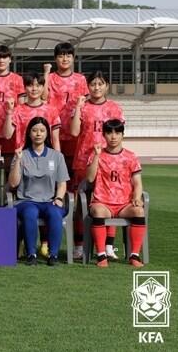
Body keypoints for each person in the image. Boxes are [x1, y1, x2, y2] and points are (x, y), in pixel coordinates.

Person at [69, 71, 124, 260]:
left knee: (110, 200)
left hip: (107, 162)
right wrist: (77, 108)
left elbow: (118, 137)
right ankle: (78, 244)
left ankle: (108, 246)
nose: (96, 88)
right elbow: (75, 131)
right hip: (83, 161)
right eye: (93, 84)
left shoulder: (114, 108)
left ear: (107, 86)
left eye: (100, 84)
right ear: (87, 86)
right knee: (79, 205)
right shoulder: (82, 107)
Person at [9, 117, 69, 266]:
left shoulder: (57, 156)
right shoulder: (22, 154)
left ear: (47, 134)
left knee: (55, 213)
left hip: (49, 201)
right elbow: (13, 183)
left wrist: (59, 198)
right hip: (26, 201)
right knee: (30, 213)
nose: (38, 134)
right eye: (34, 130)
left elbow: (62, 184)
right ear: (29, 134)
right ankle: (31, 254)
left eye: (42, 131)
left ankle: (53, 255)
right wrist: (17, 160)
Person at [86, 119, 145, 268]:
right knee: (97, 211)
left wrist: (137, 198)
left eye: (117, 133)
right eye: (109, 132)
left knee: (139, 210)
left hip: (124, 205)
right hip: (103, 202)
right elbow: (90, 178)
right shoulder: (96, 154)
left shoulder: (131, 157)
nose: (113, 136)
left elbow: (137, 182)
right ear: (104, 135)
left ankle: (134, 255)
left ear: (122, 135)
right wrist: (97, 156)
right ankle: (101, 255)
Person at [43, 42, 88, 171]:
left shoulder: (80, 79)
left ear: (73, 58)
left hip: (74, 132)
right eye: (61, 56)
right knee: (53, 168)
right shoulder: (50, 78)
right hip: (54, 131)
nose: (65, 59)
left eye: (68, 55)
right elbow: (43, 97)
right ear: (55, 58)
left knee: (73, 168)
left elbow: (86, 104)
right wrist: (46, 74)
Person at [2, 72, 61, 152]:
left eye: (38, 86)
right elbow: (7, 135)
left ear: (43, 87)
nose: (34, 89)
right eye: (30, 85)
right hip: (23, 156)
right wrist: (9, 113)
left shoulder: (51, 111)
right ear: (24, 88)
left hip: (46, 157)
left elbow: (55, 139)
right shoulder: (18, 110)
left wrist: (58, 159)